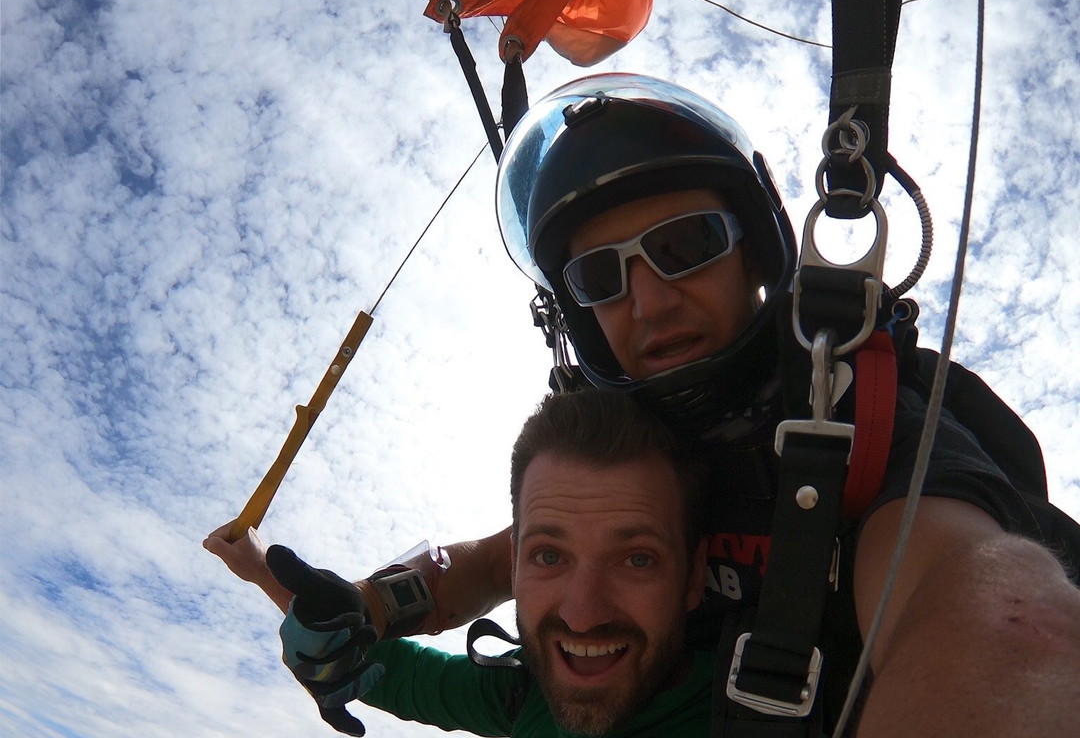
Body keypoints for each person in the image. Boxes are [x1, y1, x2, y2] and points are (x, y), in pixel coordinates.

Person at [210, 73, 1080, 736]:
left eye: (684, 246)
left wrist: (1014, 645)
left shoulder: (857, 408)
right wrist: (357, 611)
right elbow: (493, 564)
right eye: (601, 277)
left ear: (757, 254)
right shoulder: (633, 461)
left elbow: (977, 594)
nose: (649, 303)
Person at [208, 389, 713, 737]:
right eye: (549, 555)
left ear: (693, 576)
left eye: (637, 559)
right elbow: (376, 665)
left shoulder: (751, 713)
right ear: (515, 569)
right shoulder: (527, 694)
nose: (582, 613)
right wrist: (260, 572)